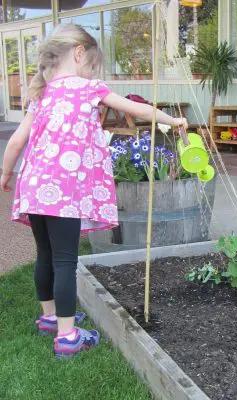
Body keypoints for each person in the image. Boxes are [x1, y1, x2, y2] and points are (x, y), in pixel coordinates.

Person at [0, 24, 188, 358]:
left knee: (45, 255)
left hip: (35, 187)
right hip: (65, 192)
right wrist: (171, 120)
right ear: (78, 53)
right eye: (91, 65)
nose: (91, 72)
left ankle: (49, 317)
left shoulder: (41, 95)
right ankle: (68, 336)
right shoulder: (88, 89)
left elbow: (16, 141)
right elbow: (138, 110)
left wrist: (5, 173)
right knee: (64, 261)